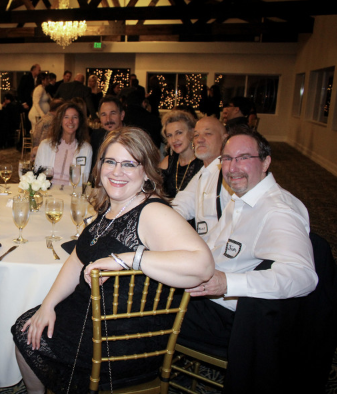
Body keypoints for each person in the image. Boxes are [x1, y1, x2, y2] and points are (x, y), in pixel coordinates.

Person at [13, 127, 214, 394]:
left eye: (129, 164)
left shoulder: (152, 212)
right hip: (93, 316)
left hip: (120, 339)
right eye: (110, 162)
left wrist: (128, 259)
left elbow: (203, 266)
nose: (117, 172)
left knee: (26, 334)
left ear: (146, 171)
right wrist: (48, 305)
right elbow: (77, 259)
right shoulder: (113, 205)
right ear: (100, 166)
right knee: (29, 324)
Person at [179, 126, 317, 358]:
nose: (233, 168)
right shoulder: (241, 198)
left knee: (137, 309)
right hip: (206, 296)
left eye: (244, 158)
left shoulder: (277, 211)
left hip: (229, 318)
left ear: (265, 162)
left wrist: (228, 283)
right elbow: (212, 248)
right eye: (227, 159)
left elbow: (303, 276)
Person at [172, 117, 232, 238]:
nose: (199, 140)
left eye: (208, 134)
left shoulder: (230, 173)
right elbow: (182, 205)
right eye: (196, 135)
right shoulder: (204, 172)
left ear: (225, 139)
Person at [34, 102, 92, 185]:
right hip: (48, 193)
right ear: (60, 121)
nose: (70, 121)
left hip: (72, 194)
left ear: (80, 121)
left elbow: (84, 180)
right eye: (66, 117)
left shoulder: (86, 149)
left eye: (75, 117)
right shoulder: (45, 146)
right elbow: (37, 176)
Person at [159, 110, 203, 198]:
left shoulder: (203, 164)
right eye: (169, 135)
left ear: (192, 133)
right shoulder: (168, 162)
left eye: (179, 133)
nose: (174, 140)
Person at [89, 96, 125, 174]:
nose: (108, 119)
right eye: (103, 115)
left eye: (113, 113)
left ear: (122, 115)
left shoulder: (133, 138)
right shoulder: (96, 136)